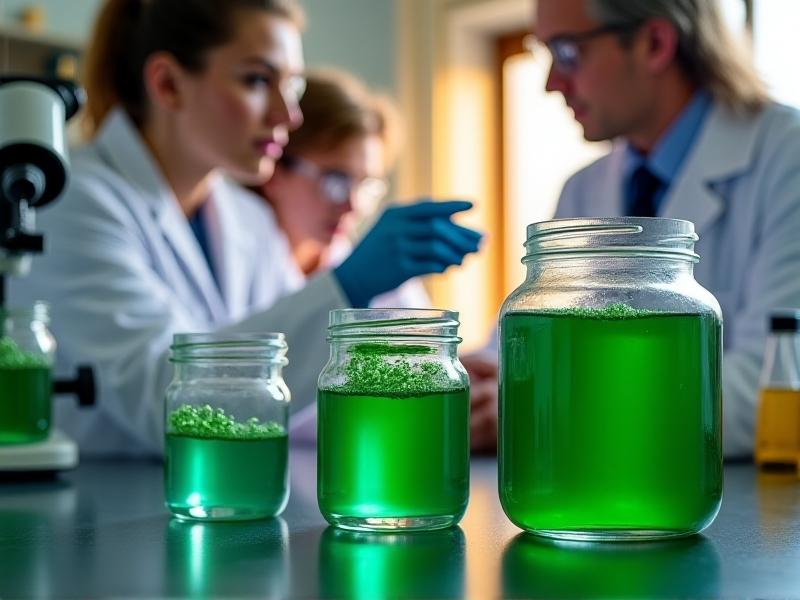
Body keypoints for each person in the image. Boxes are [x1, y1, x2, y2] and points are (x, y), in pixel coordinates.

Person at [10, 0, 482, 457]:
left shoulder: (246, 218)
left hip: (226, 498)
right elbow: (166, 403)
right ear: (168, 84)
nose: (287, 115)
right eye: (258, 79)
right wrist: (346, 287)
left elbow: (285, 390)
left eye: (292, 86)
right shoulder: (74, 201)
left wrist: (435, 380)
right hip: (99, 507)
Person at [521, 0, 800, 458]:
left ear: (654, 44)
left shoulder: (786, 158)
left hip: (738, 510)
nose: (552, 82)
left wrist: (545, 409)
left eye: (568, 51)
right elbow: (524, 351)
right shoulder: (582, 192)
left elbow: (774, 385)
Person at [253, 68, 430, 310]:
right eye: (336, 181)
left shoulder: (358, 262)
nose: (353, 206)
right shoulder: (237, 258)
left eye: (366, 185)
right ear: (274, 167)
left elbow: (424, 341)